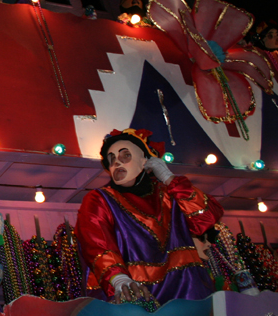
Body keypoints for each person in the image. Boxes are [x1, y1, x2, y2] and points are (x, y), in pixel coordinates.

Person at [76, 128, 222, 305]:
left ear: (146, 160)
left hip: (187, 292)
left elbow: (205, 217)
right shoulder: (100, 199)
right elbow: (95, 242)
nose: (116, 163)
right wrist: (118, 278)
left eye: (125, 156)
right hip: (136, 295)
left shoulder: (171, 195)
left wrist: (170, 179)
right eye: (111, 159)